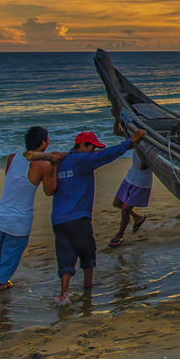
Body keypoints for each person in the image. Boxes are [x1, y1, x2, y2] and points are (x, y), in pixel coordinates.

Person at [51, 129, 147, 305]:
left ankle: (63, 293)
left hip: (58, 219)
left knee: (66, 256)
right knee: (87, 251)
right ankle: (88, 284)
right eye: (91, 147)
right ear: (82, 145)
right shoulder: (82, 160)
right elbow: (107, 155)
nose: (93, 151)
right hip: (78, 216)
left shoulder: (61, 161)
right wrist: (130, 142)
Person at [0, 126, 59, 312]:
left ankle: (2, 284)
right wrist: (55, 165)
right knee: (7, 264)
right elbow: (50, 191)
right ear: (43, 143)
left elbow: (12, 181)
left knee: (2, 251)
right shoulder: (43, 165)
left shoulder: (12, 157)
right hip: (18, 222)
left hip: (0, 214)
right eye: (47, 139)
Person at [109, 151, 151, 247]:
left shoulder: (148, 147)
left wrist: (141, 148)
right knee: (117, 202)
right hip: (131, 175)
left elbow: (144, 166)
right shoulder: (139, 141)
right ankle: (138, 217)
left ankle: (120, 234)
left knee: (125, 210)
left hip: (142, 180)